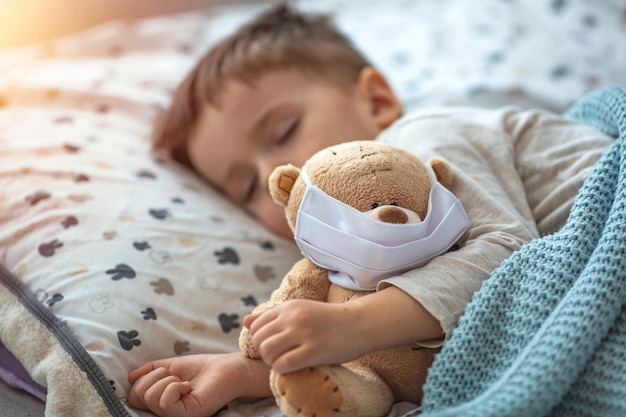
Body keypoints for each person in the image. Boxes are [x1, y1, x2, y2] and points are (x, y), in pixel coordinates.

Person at [127, 3, 613, 417]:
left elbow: (509, 253)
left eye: (283, 132)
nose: (278, 168)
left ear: (377, 100)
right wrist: (244, 372)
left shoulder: (420, 142)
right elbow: (390, 357)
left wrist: (354, 326)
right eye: (250, 185)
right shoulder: (349, 268)